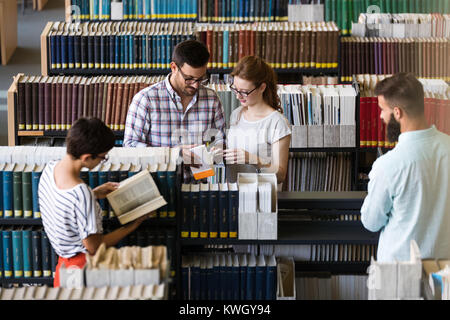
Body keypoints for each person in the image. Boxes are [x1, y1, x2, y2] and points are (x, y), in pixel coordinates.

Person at [38, 118, 151, 287]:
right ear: (86, 157)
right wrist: (132, 225)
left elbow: (63, 207)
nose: (102, 161)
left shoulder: (50, 169)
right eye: (102, 158)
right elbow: (94, 247)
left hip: (64, 268)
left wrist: (94, 193)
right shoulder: (81, 194)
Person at [360, 72, 450, 262]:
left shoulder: (388, 165)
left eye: (383, 109)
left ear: (397, 112)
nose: (381, 116)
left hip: (399, 275)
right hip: (444, 273)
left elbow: (371, 222)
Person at [123, 39, 226, 179]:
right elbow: (130, 147)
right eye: (189, 79)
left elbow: (221, 140)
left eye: (201, 79)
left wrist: (215, 150)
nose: (196, 86)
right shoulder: (146, 99)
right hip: (159, 184)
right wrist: (174, 154)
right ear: (174, 67)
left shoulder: (211, 99)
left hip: (199, 186)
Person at [224, 55, 291, 184]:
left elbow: (281, 175)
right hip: (233, 194)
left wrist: (254, 160)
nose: (238, 96)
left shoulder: (277, 123)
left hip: (262, 197)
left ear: (262, 88)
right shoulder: (236, 114)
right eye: (235, 89)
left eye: (244, 92)